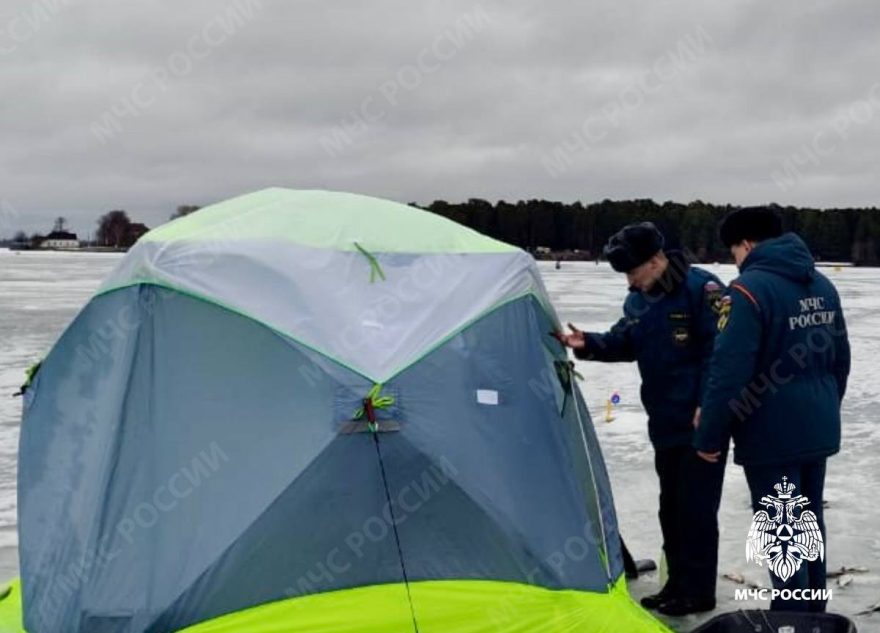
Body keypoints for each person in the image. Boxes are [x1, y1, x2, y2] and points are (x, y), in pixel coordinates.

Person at [557, 222, 726, 616]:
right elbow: (626, 340)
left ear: (656, 260)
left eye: (633, 272)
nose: (630, 281)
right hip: (664, 421)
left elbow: (721, 353)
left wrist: (710, 406)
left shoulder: (702, 290)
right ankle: (677, 584)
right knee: (671, 508)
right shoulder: (638, 301)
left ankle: (699, 591)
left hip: (700, 423)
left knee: (697, 510)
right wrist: (589, 343)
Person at [694, 207, 850, 612]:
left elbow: (728, 373)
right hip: (817, 427)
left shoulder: (746, 291)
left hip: (770, 433)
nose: (735, 261)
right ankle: (814, 617)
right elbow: (841, 359)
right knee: (808, 524)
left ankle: (791, 618)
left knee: (784, 532)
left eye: (734, 251)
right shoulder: (822, 284)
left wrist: (710, 436)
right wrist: (823, 410)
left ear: (746, 244)